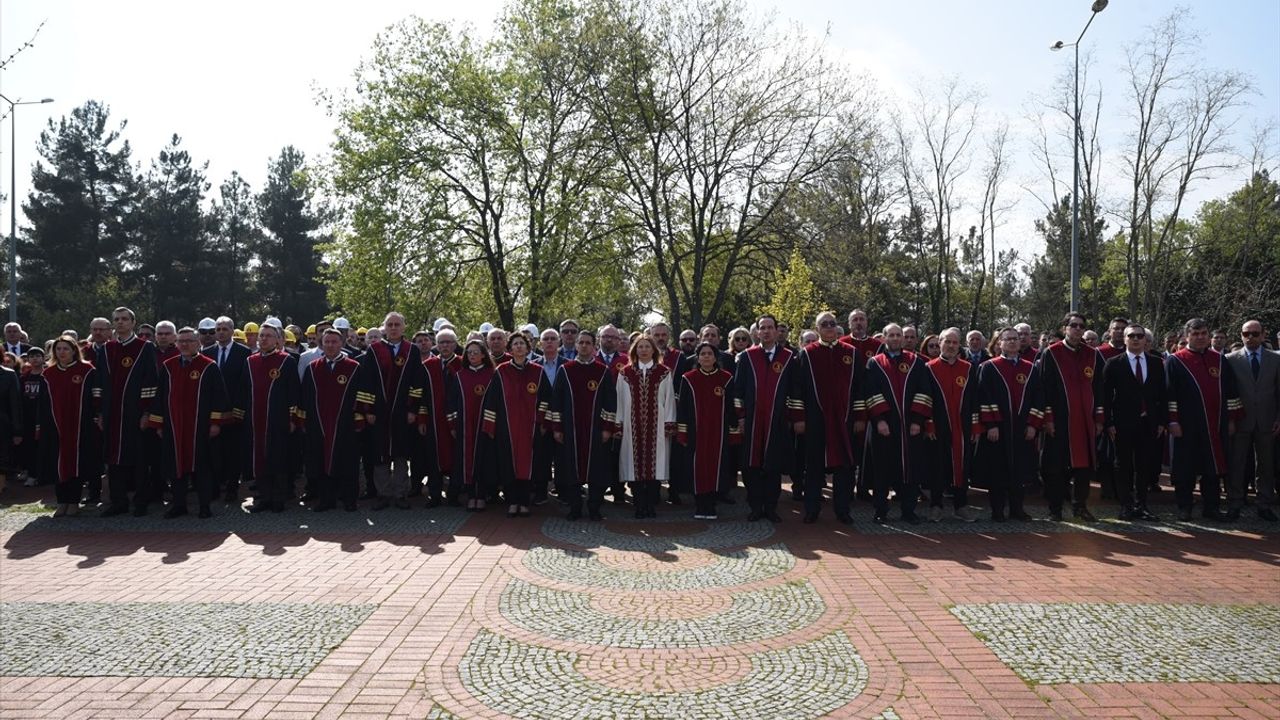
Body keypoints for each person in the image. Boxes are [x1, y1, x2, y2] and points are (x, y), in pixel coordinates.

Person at [148, 327, 231, 519]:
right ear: (176, 343)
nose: (184, 344)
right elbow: (160, 397)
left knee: (202, 467)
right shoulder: (168, 367)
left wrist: (215, 423)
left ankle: (204, 506)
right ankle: (179, 505)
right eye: (181, 341)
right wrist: (159, 424)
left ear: (198, 343)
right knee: (176, 466)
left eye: (189, 341)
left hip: (200, 427)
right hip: (174, 426)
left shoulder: (209, 366)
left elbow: (219, 397)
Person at [1166, 318, 1243, 522]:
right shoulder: (1176, 360)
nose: (1200, 337)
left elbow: (1231, 391)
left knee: (1213, 468)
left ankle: (1212, 507)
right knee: (1185, 469)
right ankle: (1185, 507)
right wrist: (1173, 421)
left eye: (1203, 334)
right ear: (1186, 336)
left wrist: (1232, 419)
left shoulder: (1219, 360)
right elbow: (1169, 394)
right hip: (1187, 425)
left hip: (1215, 424)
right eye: (1195, 334)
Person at [790, 311, 860, 525]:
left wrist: (859, 417)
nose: (829, 327)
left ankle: (843, 510)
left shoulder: (851, 353)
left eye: (832, 323)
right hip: (815, 419)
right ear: (817, 328)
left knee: (845, 467)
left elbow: (859, 388)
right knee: (813, 466)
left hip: (844, 419)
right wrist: (799, 418)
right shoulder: (807, 354)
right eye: (824, 324)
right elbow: (797, 389)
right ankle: (812, 509)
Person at [862, 324, 933, 525]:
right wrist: (880, 420)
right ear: (883, 338)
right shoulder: (874, 363)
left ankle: (908, 510)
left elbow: (924, 391)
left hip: (910, 427)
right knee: (882, 469)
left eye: (898, 335)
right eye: (891, 335)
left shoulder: (915, 362)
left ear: (903, 339)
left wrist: (918, 421)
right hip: (885, 426)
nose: (895, 338)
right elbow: (871, 392)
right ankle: (881, 510)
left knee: (911, 469)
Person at [1038, 312, 1105, 522]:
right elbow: (1044, 389)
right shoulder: (1052, 353)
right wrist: (1047, 418)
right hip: (1059, 420)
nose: (1077, 329)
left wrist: (1100, 419)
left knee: (1083, 467)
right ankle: (1055, 509)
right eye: (1073, 325)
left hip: (1085, 421)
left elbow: (1100, 390)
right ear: (1064, 328)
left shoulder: (1093, 355)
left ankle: (1080, 506)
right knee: (1055, 467)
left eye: (1081, 326)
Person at [973, 328, 1044, 522]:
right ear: (999, 343)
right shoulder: (989, 367)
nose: (1013, 342)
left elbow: (1038, 399)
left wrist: (1033, 425)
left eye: (1016, 339)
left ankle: (1017, 509)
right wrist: (992, 425)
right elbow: (983, 397)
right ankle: (997, 510)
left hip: (1022, 429)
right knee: (998, 471)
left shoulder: (1031, 368)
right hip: (999, 429)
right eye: (1008, 339)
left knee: (1019, 471)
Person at [359, 312, 429, 510]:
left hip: (402, 411)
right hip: (379, 411)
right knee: (380, 453)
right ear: (384, 327)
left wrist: (413, 409)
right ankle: (383, 493)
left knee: (401, 453)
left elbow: (417, 381)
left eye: (397, 324)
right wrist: (368, 410)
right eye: (390, 324)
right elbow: (367, 381)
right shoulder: (374, 350)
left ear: (404, 327)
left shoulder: (412, 350)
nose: (393, 328)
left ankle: (400, 493)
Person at [299, 329, 371, 512]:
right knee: (320, 461)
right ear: (321, 344)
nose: (330, 345)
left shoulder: (353, 367)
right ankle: (326, 499)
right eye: (327, 342)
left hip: (346, 424)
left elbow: (362, 396)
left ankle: (349, 499)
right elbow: (304, 398)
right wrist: (303, 421)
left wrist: (359, 420)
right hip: (319, 424)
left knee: (348, 462)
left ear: (341, 344)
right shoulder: (312, 368)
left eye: (334, 342)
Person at [549, 330, 618, 521]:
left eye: (588, 342)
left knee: (597, 469)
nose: (584, 346)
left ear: (594, 346)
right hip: (571, 430)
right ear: (576, 345)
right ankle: (575, 507)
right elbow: (556, 401)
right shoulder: (566, 370)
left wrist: (606, 428)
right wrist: (557, 428)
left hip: (596, 430)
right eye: (581, 342)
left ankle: (594, 508)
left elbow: (610, 402)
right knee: (571, 468)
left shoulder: (602, 371)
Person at [96, 306, 158, 516]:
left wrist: (147, 412)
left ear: (132, 322)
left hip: (135, 413)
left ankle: (141, 501)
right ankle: (118, 501)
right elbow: (100, 383)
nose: (120, 322)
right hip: (112, 414)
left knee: (139, 459)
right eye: (116, 319)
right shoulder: (105, 349)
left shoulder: (145, 347)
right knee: (114, 460)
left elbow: (151, 381)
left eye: (124, 319)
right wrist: (100, 413)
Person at [481, 333, 551, 517]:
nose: (519, 347)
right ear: (510, 349)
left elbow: (546, 400)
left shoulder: (538, 371)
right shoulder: (501, 372)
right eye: (515, 344)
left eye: (522, 344)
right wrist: (490, 426)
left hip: (531, 427)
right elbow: (492, 401)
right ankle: (512, 500)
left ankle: (524, 500)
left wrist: (542, 421)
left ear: (528, 348)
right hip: (506, 428)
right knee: (508, 463)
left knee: (528, 465)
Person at [733, 314, 794, 523]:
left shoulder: (788, 357)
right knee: (751, 466)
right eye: (762, 328)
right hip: (752, 420)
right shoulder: (747, 357)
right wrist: (741, 417)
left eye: (770, 327)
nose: (766, 331)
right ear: (757, 332)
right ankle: (755, 506)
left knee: (773, 465)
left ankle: (771, 507)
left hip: (776, 421)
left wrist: (791, 418)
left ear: (777, 331)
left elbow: (794, 391)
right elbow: (738, 391)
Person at [1102, 323, 1166, 521]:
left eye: (1139, 336)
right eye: (1132, 336)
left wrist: (1162, 421)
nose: (1136, 339)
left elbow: (1163, 394)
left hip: (1149, 423)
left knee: (1144, 465)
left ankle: (1142, 505)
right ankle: (1126, 505)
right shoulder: (1114, 363)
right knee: (1123, 465)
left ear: (1146, 340)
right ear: (1125, 339)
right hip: (1122, 423)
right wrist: (1108, 422)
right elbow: (1104, 396)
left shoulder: (1156, 363)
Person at [236, 323, 300, 513]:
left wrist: (292, 418)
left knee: (277, 458)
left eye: (269, 336)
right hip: (255, 420)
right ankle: (263, 498)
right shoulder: (250, 361)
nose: (264, 339)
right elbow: (243, 391)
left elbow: (293, 392)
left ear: (278, 340)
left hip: (278, 419)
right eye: (262, 335)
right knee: (259, 459)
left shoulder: (286, 361)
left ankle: (279, 498)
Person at [35, 338, 100, 516]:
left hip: (80, 426)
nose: (62, 352)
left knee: (76, 463)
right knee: (58, 463)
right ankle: (61, 501)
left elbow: (95, 399)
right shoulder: (48, 374)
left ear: (74, 350)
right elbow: (43, 403)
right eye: (58, 349)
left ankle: (74, 501)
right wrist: (40, 426)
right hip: (55, 426)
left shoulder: (87, 370)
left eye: (66, 349)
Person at [676, 342, 740, 520]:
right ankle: (700, 504)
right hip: (696, 432)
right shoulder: (688, 378)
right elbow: (682, 408)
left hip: (719, 433)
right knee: (697, 465)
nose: (706, 357)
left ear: (715, 357)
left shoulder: (726, 378)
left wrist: (734, 432)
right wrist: (682, 432)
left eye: (709, 354)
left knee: (717, 465)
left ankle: (711, 504)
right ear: (698, 357)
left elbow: (731, 408)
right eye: (702, 354)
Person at [616, 335, 677, 519]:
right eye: (640, 347)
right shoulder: (625, 373)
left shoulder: (664, 372)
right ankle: (639, 504)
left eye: (647, 347)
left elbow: (669, 400)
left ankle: (650, 504)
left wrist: (669, 423)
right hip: (630, 426)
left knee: (654, 465)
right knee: (633, 466)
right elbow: (619, 400)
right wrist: (618, 424)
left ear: (653, 350)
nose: (643, 350)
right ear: (635, 350)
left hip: (657, 427)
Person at [1225, 320, 1278, 521]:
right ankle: (1235, 502)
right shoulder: (1230, 359)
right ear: (1241, 335)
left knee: (1265, 465)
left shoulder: (1275, 360)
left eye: (1255, 334)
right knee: (1237, 463)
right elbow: (1228, 393)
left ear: (1264, 335)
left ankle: (1264, 504)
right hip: (1240, 420)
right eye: (1246, 333)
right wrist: (1230, 418)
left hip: (1267, 420)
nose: (1250, 337)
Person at [925, 328, 979, 522]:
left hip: (963, 427)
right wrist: (929, 425)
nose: (951, 346)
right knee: (937, 466)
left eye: (955, 343)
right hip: (938, 426)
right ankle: (936, 506)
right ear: (940, 343)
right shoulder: (929, 368)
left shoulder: (969, 368)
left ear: (959, 346)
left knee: (962, 466)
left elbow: (974, 400)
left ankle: (961, 505)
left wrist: (974, 427)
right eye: (947, 342)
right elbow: (926, 400)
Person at [202, 316, 251, 504]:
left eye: (224, 329)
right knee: (212, 452)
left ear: (232, 331)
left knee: (233, 453)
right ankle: (214, 487)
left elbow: (245, 384)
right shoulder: (207, 352)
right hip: (211, 411)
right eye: (218, 329)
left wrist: (239, 410)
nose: (220, 332)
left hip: (234, 411)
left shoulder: (244, 352)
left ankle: (232, 488)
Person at [448, 340, 497, 511]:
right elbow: (452, 403)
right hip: (464, 427)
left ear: (484, 354)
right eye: (469, 353)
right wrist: (453, 425)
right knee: (466, 460)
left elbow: (498, 403)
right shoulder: (460, 376)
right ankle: (471, 495)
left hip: (486, 426)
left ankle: (482, 495)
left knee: (485, 460)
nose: (472, 355)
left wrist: (492, 425)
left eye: (476, 352)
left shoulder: (493, 374)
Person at [420, 328, 462, 507]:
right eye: (442, 342)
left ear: (455, 344)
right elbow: (421, 395)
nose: (445, 346)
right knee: (433, 457)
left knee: (456, 457)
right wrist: (422, 419)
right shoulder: (428, 366)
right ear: (436, 345)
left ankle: (454, 495)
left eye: (449, 342)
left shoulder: (462, 364)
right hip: (434, 421)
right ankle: (434, 495)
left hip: (456, 420)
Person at [0, 353, 23, 494]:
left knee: (2, 459)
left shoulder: (8, 375)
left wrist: (17, 431)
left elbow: (15, 405)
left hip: (2, 425)